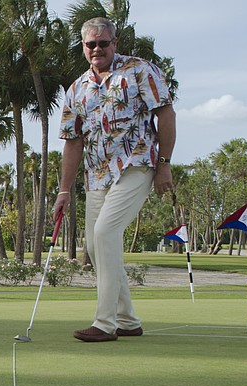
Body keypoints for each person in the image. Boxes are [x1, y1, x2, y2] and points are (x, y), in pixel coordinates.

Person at [53, 17, 176, 343]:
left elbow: (166, 114)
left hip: (137, 165)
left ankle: (105, 323)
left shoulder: (139, 71)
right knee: (95, 246)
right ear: (83, 47)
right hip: (97, 175)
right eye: (90, 44)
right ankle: (128, 319)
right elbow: (72, 140)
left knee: (106, 233)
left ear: (114, 43)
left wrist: (164, 165)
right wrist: (64, 190)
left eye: (103, 43)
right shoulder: (77, 89)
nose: (97, 49)